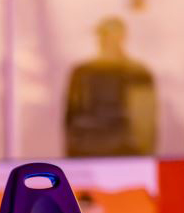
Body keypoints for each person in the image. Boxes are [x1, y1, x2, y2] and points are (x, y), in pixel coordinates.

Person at [64, 16, 157, 157]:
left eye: (112, 36)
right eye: (104, 35)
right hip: (86, 153)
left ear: (122, 38)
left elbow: (145, 121)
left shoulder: (137, 72)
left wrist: (143, 155)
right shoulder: (82, 72)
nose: (107, 40)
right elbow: (71, 116)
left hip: (125, 153)